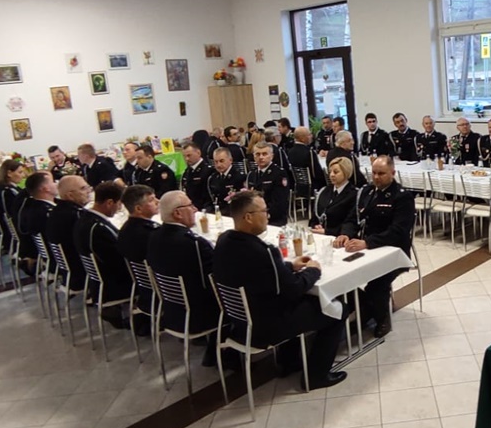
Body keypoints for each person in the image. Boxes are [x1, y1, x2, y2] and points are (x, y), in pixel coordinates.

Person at [213, 190, 348, 388]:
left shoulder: (224, 241)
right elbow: (293, 288)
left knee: (300, 302)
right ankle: (317, 375)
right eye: (263, 211)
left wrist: (289, 266)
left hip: (239, 320)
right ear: (248, 217)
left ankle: (289, 362)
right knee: (336, 309)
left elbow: (262, 273)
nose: (267, 216)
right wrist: (313, 271)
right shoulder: (263, 251)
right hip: (266, 325)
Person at [335, 156, 416, 337]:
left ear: (393, 173)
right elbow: (352, 218)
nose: (376, 177)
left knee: (376, 284)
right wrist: (345, 233)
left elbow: (398, 231)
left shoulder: (402, 196)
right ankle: (367, 310)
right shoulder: (367, 192)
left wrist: (368, 242)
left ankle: (382, 318)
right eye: (374, 173)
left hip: (394, 252)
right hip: (366, 249)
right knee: (343, 277)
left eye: (381, 173)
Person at [145, 191, 219, 363]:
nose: (195, 209)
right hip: (199, 314)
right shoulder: (193, 243)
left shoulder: (153, 236)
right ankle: (223, 354)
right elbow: (214, 279)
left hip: (171, 309)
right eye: (190, 206)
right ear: (177, 213)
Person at [73, 181, 128, 328]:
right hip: (112, 284)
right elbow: (118, 260)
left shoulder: (84, 219)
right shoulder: (98, 228)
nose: (119, 209)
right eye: (119, 204)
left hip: (97, 280)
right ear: (109, 203)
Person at [117, 184, 158, 335]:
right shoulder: (150, 234)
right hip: (160, 288)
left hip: (142, 285)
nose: (157, 202)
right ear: (139, 209)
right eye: (152, 200)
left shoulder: (125, 229)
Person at [45, 175, 89, 290]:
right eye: (83, 188)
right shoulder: (74, 215)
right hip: (83, 275)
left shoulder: (56, 212)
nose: (88, 191)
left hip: (67, 273)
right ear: (70, 195)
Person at [17, 171, 56, 270]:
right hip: (56, 261)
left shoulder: (31, 207)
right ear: (45, 188)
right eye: (53, 182)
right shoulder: (47, 213)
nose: (56, 184)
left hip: (45, 256)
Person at [246, 141, 291, 226]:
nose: (261, 157)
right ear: (254, 157)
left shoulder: (279, 173)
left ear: (272, 156)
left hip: (273, 219)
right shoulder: (252, 174)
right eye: (258, 154)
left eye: (264, 154)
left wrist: (263, 215)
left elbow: (280, 202)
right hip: (255, 217)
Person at [313, 158, 360, 237]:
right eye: (330, 172)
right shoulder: (325, 190)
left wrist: (327, 231)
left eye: (336, 172)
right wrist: (316, 225)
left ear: (346, 173)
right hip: (320, 235)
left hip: (341, 237)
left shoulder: (354, 195)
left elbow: (351, 224)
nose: (331, 175)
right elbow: (315, 216)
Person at [0, 159, 26, 235]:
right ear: (9, 173)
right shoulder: (8, 192)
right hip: (14, 231)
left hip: (3, 230)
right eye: (20, 172)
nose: (23, 176)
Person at [205, 148, 247, 216]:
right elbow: (209, 200)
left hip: (233, 214)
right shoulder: (212, 178)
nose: (218, 165)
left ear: (230, 160)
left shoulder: (240, 177)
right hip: (217, 213)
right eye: (216, 162)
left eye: (222, 161)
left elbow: (242, 203)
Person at [286, 126, 327, 192]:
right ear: (302, 138)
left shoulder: (290, 152)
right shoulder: (309, 152)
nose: (311, 136)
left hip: (298, 185)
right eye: (309, 134)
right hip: (312, 186)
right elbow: (316, 173)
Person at [181, 143, 210, 209]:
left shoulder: (207, 170)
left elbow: (208, 195)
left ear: (198, 153)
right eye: (184, 156)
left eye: (189, 155)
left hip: (203, 208)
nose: (187, 159)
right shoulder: (187, 172)